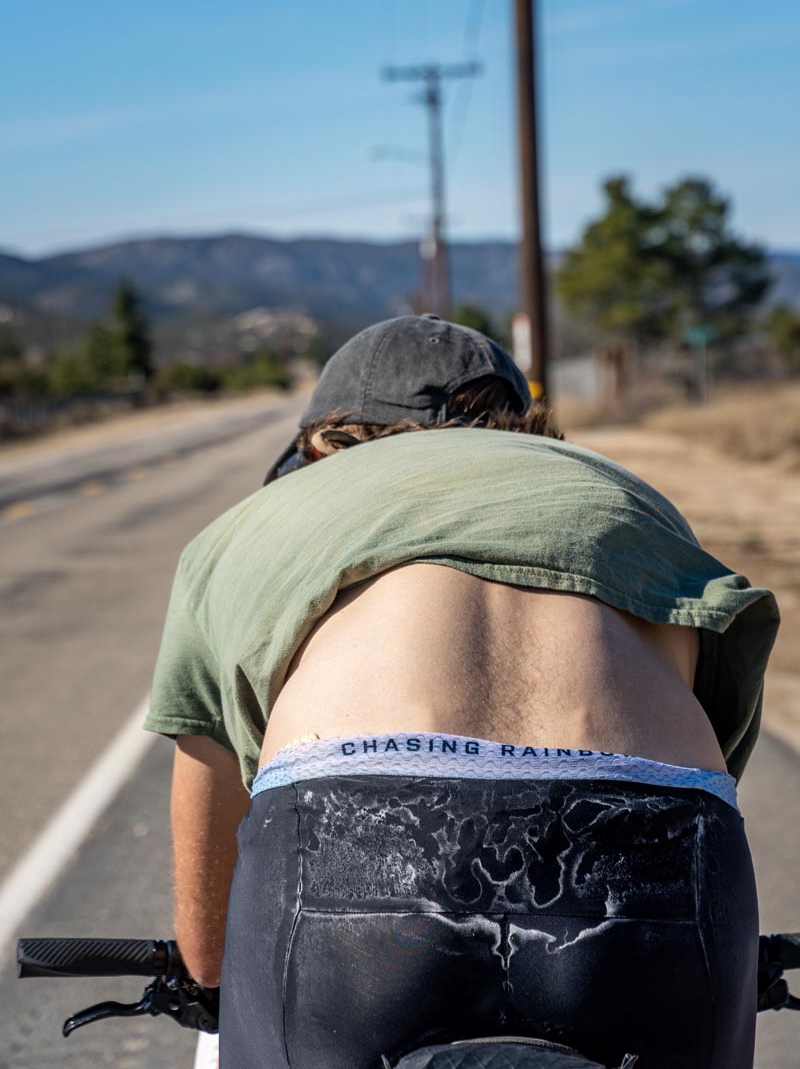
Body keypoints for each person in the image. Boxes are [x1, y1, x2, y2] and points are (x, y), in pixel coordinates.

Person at [145, 314, 779, 1069]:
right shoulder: (623, 495)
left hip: (356, 834)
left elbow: (210, 862)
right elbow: (718, 732)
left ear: (325, 443)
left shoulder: (247, 527)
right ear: (528, 426)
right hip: (656, 831)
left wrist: (212, 975)